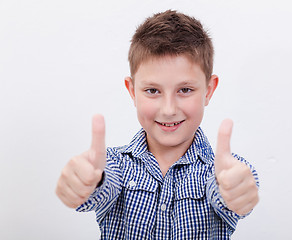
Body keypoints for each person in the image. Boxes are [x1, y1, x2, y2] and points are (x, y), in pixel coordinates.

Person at [56, 10, 259, 239]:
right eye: (153, 91)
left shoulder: (224, 172)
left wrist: (236, 192)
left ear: (208, 90)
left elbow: (231, 193)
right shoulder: (113, 165)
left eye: (185, 90)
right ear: (132, 91)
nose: (169, 109)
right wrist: (86, 182)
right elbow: (101, 183)